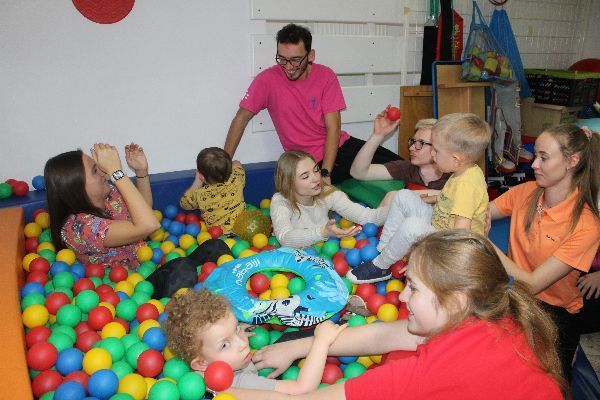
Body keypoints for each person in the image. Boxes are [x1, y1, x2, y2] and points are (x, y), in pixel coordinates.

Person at [221, 230, 565, 400]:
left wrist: (222, 391)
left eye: (413, 287)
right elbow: (385, 334)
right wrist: (298, 347)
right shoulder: (489, 312)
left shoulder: (433, 371)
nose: (401, 296)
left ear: (456, 301)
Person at [488, 124, 600, 381]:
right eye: (535, 155)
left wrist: (484, 242)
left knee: (549, 384)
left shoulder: (587, 224)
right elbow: (480, 212)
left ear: (572, 161)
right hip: (514, 296)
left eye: (544, 157)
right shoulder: (526, 193)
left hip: (553, 313)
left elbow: (533, 284)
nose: (534, 164)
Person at [224, 23, 399, 184]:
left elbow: (333, 128)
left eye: (295, 59)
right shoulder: (266, 80)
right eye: (282, 58)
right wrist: (224, 164)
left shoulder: (326, 76)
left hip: (338, 147)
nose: (288, 66)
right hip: (306, 161)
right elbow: (241, 119)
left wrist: (325, 173)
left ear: (311, 55)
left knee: (400, 165)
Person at [347, 113, 491, 284]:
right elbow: (451, 198)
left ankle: (380, 266)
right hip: (439, 225)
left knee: (412, 225)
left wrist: (425, 259)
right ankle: (384, 249)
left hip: (451, 245)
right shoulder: (461, 171)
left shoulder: (467, 184)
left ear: (456, 159)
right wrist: (437, 199)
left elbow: (461, 235)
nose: (433, 155)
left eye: (436, 151)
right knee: (403, 196)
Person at [163, 289, 347, 393]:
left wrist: (233, 333)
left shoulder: (211, 359)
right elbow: (302, 389)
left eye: (236, 328)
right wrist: (322, 342)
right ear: (201, 364)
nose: (243, 344)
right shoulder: (239, 383)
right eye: (225, 345)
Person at [44, 143, 160, 270]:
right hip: (125, 280)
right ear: (76, 187)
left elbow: (144, 212)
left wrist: (141, 172)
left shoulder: (109, 194)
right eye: (95, 170)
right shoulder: (79, 228)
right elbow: (149, 225)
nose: (102, 172)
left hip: (146, 264)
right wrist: (116, 172)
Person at [270, 150, 393, 248]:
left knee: (393, 196)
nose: (316, 179)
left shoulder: (328, 193)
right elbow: (285, 238)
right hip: (298, 261)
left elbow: (368, 217)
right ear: (289, 184)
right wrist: (323, 232)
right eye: (305, 176)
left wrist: (398, 206)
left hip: (328, 253)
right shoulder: (281, 201)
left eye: (316, 170)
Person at [350, 111, 449, 193]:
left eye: (421, 143)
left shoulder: (453, 176)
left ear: (438, 148)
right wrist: (378, 134)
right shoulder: (406, 168)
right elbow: (358, 173)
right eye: (413, 142)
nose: (411, 148)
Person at [179, 147, 246, 234]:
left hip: (219, 235)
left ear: (202, 176)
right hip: (244, 229)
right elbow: (237, 163)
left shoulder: (201, 194)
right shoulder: (236, 178)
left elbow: (185, 204)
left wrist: (197, 181)